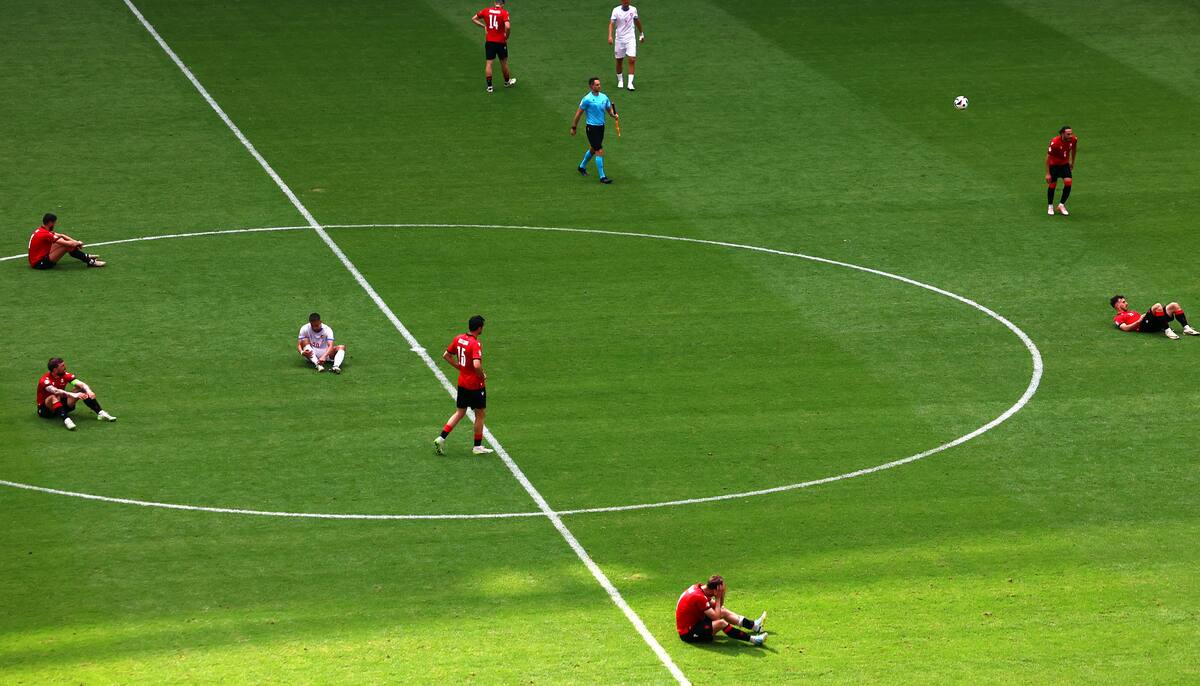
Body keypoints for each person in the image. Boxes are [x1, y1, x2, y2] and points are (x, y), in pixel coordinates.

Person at [434, 315, 494, 456]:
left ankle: (441, 438)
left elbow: (446, 355)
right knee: (480, 414)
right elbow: (476, 364)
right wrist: (481, 375)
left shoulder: (458, 339)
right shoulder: (475, 344)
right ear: (479, 328)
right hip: (475, 386)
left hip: (462, 383)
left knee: (460, 412)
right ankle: (477, 447)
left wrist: (460, 367)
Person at [675, 575, 767, 646]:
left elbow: (718, 607)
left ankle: (755, 626)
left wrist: (720, 597)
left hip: (696, 623)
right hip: (688, 633)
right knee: (721, 623)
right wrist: (718, 597)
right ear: (715, 590)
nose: (723, 590)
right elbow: (716, 617)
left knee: (722, 611)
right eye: (722, 589)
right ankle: (754, 640)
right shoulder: (699, 597)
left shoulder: (700, 589)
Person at [36, 357, 117, 431]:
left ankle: (100, 413)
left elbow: (80, 384)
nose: (65, 367)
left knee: (81, 388)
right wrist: (73, 395)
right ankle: (67, 420)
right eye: (62, 366)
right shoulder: (45, 380)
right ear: (55, 369)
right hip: (46, 410)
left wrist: (88, 391)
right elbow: (55, 391)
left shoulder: (65, 375)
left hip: (61, 404)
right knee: (53, 396)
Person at [571, 77, 619, 184]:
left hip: (601, 127)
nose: (599, 86)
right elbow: (579, 113)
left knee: (593, 149)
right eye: (597, 85)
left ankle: (581, 167)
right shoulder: (587, 99)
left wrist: (613, 115)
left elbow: (608, 109)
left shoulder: (604, 97)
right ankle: (602, 177)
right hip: (591, 128)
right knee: (599, 150)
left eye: (599, 84)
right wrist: (574, 127)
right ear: (591, 86)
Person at [27, 213, 105, 269]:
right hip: (39, 264)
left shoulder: (41, 230)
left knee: (64, 242)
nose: (54, 225)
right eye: (54, 223)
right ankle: (90, 262)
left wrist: (75, 241)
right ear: (50, 223)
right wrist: (78, 243)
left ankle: (86, 257)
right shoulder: (46, 234)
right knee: (66, 246)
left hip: (37, 259)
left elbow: (61, 235)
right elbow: (66, 244)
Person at [472, 0, 516, 93]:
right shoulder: (504, 12)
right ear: (503, 4)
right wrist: (506, 36)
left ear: (494, 2)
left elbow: (474, 18)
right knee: (503, 63)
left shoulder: (486, 10)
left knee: (489, 64)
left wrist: (484, 26)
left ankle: (489, 87)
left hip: (489, 42)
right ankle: (507, 82)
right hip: (500, 42)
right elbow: (507, 27)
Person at [1111, 295, 1199, 340]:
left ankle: (1186, 328)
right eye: (1123, 302)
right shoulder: (1118, 318)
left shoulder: (1131, 312)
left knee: (1174, 305)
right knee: (1157, 306)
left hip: (1150, 323)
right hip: (1143, 327)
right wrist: (1138, 321)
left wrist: (1144, 316)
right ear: (1117, 305)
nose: (1126, 303)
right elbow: (1125, 328)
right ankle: (1167, 330)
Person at [609, 1, 644, 91]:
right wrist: (610, 36)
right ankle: (620, 80)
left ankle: (630, 83)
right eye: (624, 1)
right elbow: (611, 23)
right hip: (619, 39)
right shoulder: (616, 10)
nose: (626, 2)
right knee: (619, 60)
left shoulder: (633, 9)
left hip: (630, 38)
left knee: (632, 59)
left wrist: (641, 33)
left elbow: (636, 21)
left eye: (627, 1)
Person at [1045, 126, 1078, 216]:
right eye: (1068, 134)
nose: (1070, 135)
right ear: (1062, 134)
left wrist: (1072, 162)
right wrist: (1048, 173)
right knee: (1053, 185)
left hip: (1064, 165)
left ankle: (1061, 205)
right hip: (1054, 165)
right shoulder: (1055, 142)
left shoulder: (1073, 139)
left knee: (1068, 182)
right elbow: (1048, 158)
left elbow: (1074, 150)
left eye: (1071, 133)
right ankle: (1050, 206)